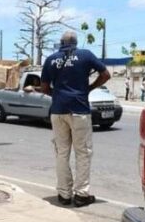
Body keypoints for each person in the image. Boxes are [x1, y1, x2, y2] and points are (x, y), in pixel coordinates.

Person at [41, 31, 111, 207]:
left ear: (61, 42)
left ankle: (64, 195)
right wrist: (89, 88)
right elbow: (106, 74)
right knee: (83, 153)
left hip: (57, 111)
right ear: (76, 43)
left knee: (62, 153)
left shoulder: (50, 60)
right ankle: (81, 195)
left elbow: (44, 87)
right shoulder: (85, 55)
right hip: (79, 110)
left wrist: (57, 94)